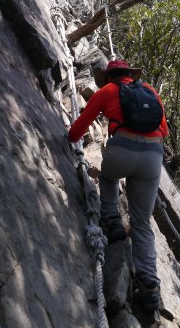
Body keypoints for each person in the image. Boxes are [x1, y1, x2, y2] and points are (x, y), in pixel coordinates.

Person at [68, 59, 169, 312]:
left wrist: (69, 138)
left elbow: (79, 128)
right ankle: (149, 288)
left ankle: (112, 221)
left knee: (109, 178)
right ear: (129, 75)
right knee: (142, 222)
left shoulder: (108, 91)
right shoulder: (150, 91)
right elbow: (163, 130)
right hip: (153, 158)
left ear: (110, 76)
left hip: (122, 150)